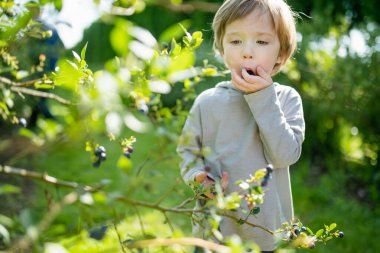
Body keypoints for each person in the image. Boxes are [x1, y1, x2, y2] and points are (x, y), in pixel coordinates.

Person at [177, 0, 305, 252]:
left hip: (266, 234)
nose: (247, 51)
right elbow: (187, 152)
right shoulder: (207, 102)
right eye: (236, 41)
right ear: (222, 49)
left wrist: (263, 97)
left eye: (261, 41)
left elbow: (284, 156)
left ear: (280, 53)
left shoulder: (286, 99)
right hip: (213, 233)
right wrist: (197, 179)